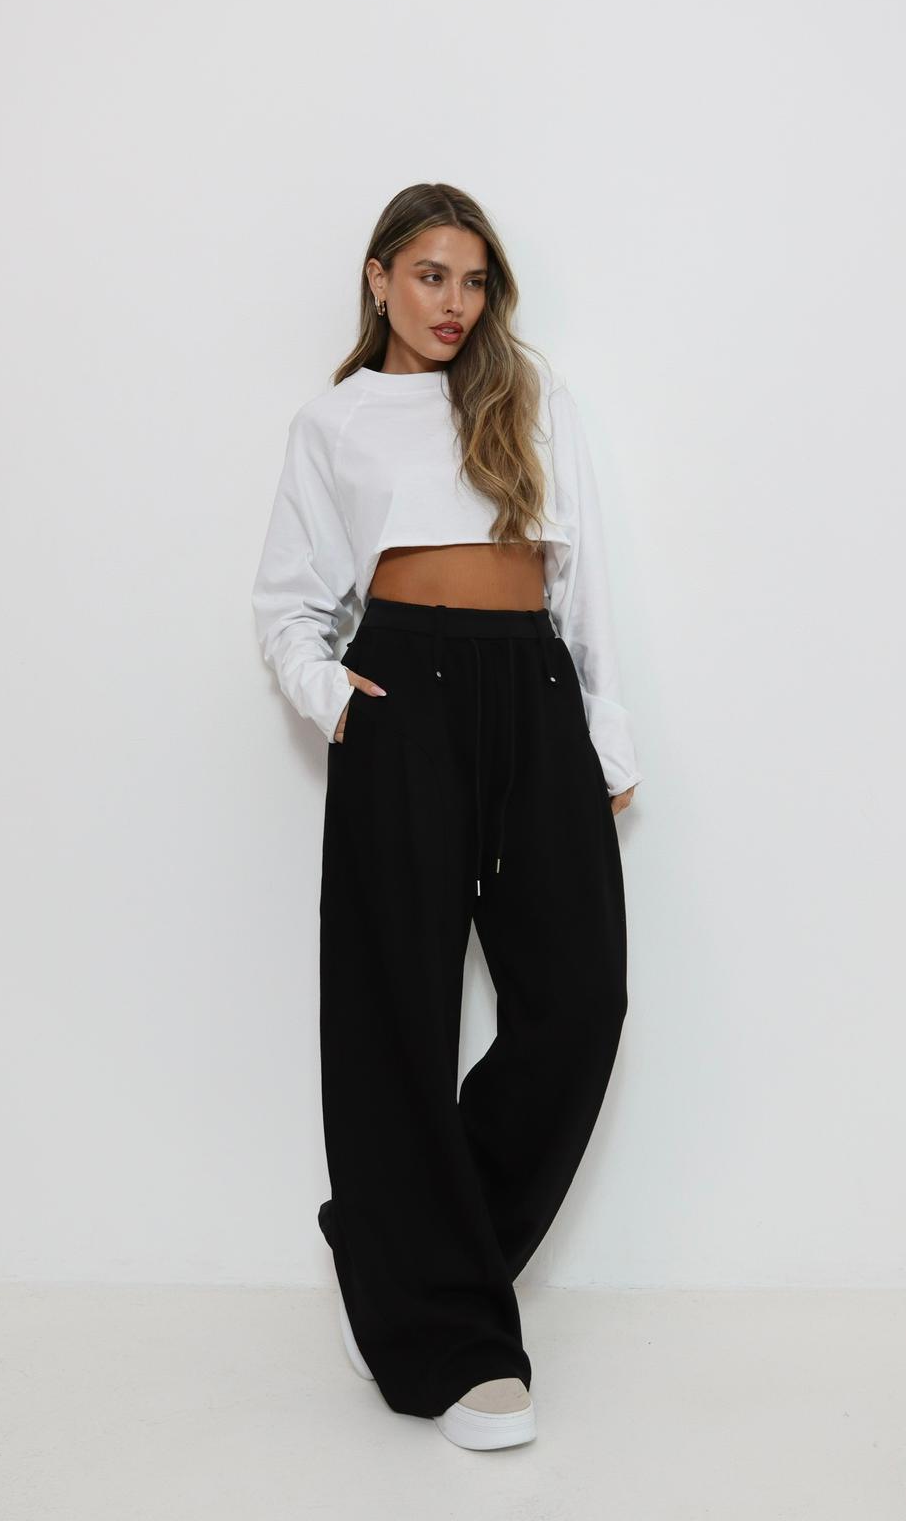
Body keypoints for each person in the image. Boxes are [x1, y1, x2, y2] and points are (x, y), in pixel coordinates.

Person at [251, 182, 641, 1451]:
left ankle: (393, 1241)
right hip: (400, 693)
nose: (452, 303)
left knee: (579, 1001)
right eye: (429, 275)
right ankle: (448, 1334)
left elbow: (581, 578)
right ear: (378, 279)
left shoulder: (528, 394)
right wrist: (338, 703)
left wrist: (602, 734)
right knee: (394, 1009)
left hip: (533, 688)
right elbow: (287, 602)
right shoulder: (335, 420)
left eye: (472, 281)